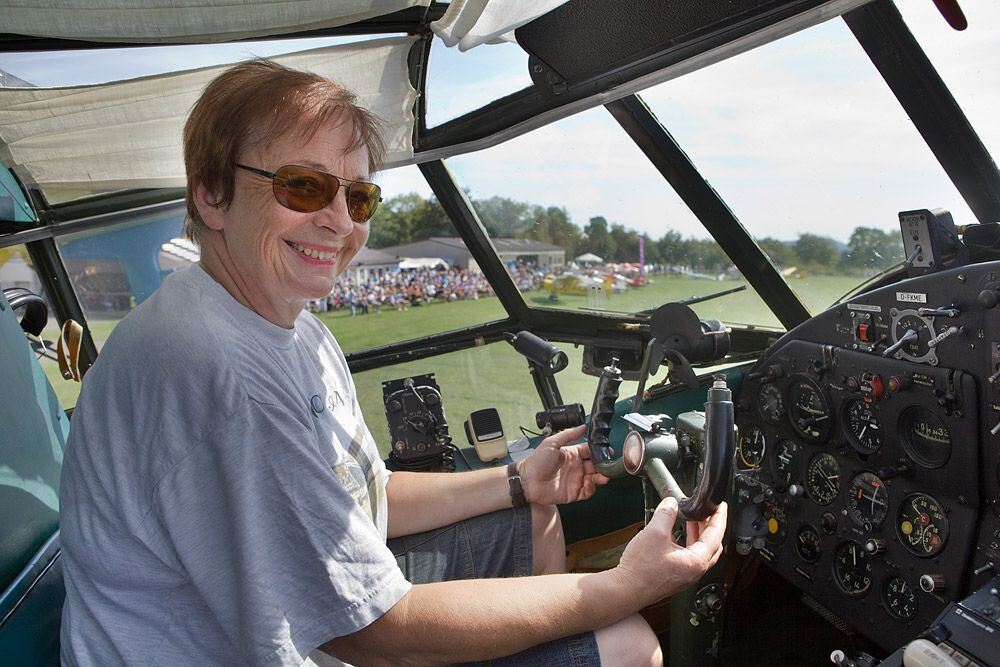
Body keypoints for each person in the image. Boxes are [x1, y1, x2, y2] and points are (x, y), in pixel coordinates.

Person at [59, 59, 727, 667]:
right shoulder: (219, 375)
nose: (340, 223)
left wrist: (519, 480)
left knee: (534, 513)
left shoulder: (290, 329)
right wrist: (622, 585)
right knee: (632, 644)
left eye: (357, 198)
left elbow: (369, 493)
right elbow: (373, 632)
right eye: (303, 186)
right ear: (210, 193)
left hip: (295, 623)